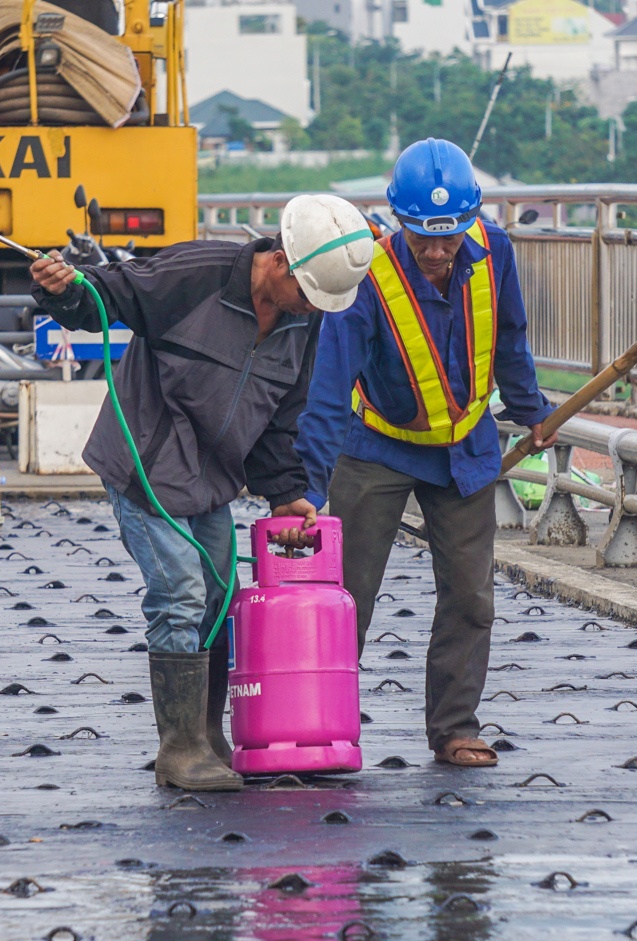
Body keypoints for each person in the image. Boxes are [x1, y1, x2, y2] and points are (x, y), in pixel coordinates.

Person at [29, 193, 375, 792]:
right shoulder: (195, 276)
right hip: (146, 462)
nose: (313, 308)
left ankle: (210, 737)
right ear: (282, 263)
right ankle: (180, 749)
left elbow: (281, 412)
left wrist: (286, 491)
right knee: (182, 592)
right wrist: (63, 290)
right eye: (309, 293)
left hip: (212, 475)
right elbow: (107, 294)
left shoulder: (303, 318)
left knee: (219, 602)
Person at [297, 138, 553, 769]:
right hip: (377, 447)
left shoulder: (496, 254)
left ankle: (454, 727)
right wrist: (307, 485)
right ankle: (325, 726)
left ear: (469, 220)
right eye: (422, 239)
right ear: (396, 223)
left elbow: (511, 339)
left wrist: (532, 410)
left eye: (449, 237)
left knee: (470, 596)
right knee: (347, 596)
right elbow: (329, 388)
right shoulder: (367, 275)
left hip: (464, 446)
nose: (437, 252)